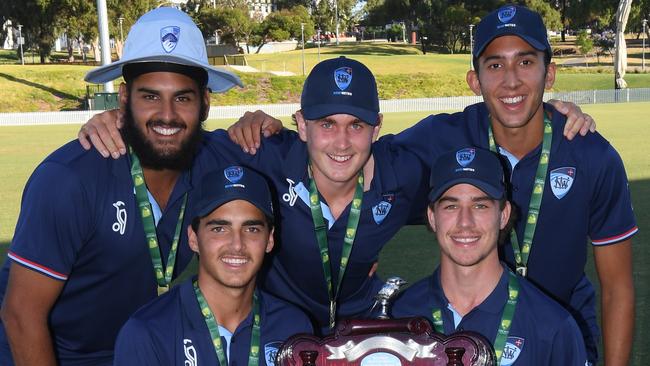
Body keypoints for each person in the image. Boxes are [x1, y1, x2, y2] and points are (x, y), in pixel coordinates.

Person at [78, 57, 594, 335]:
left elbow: (494, 121)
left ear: (378, 128)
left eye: (356, 125)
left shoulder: (404, 169)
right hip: (273, 330)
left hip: (361, 328)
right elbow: (172, 134)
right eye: (326, 124)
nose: (341, 142)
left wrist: (554, 112)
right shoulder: (262, 154)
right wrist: (119, 120)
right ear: (301, 125)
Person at [392, 6, 635, 365]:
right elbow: (350, 157)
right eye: (494, 65)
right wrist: (276, 135)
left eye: (525, 63)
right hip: (464, 328)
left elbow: (617, 288)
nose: (511, 81)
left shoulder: (591, 156)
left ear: (548, 74)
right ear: (474, 80)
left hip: (563, 337)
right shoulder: (442, 138)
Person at [0, 7, 242, 365]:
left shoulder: (219, 161)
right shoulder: (70, 179)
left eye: (183, 97)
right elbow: (21, 315)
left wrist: (259, 122)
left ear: (205, 103)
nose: (167, 115)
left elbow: (320, 148)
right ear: (125, 99)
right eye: (150, 96)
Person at [392, 147, 588, 365]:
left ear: (503, 215)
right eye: (451, 206)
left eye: (480, 205)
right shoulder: (398, 316)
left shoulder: (552, 328)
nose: (465, 222)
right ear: (432, 217)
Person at [113, 166, 313, 365]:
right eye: (219, 229)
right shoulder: (147, 333)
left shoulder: (294, 328)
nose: (237, 245)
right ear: (193, 238)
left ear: (269, 239)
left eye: (251, 229)